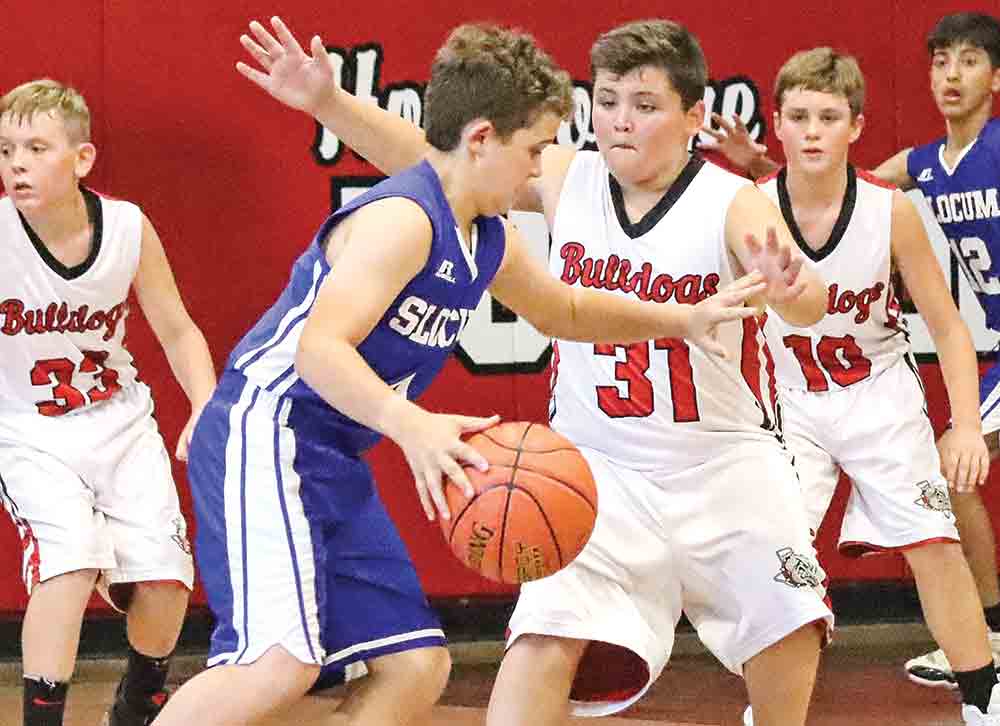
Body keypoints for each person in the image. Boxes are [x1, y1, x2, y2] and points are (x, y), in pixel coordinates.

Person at [148, 19, 793, 726]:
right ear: (482, 139)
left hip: (332, 453)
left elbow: (568, 311)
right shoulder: (405, 220)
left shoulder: (486, 236)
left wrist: (683, 319)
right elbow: (318, 350)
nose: (540, 168)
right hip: (266, 432)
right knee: (277, 664)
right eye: (535, 148)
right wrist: (413, 425)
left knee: (416, 668)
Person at [707, 11, 1000, 690]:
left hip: (879, 393)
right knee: (777, 559)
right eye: (801, 117)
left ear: (856, 126)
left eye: (829, 118)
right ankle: (772, 701)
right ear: (778, 123)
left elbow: (950, 326)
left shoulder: (885, 208)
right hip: (790, 404)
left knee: (934, 540)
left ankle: (983, 695)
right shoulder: (743, 207)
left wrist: (960, 423)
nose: (814, 131)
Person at [0, 79, 216, 726]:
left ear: (82, 159)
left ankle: (137, 701)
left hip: (120, 423)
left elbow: (177, 329)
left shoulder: (127, 227)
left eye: (37, 148)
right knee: (67, 565)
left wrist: (205, 404)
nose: (17, 163)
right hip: (26, 430)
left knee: (165, 583)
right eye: (7, 148)